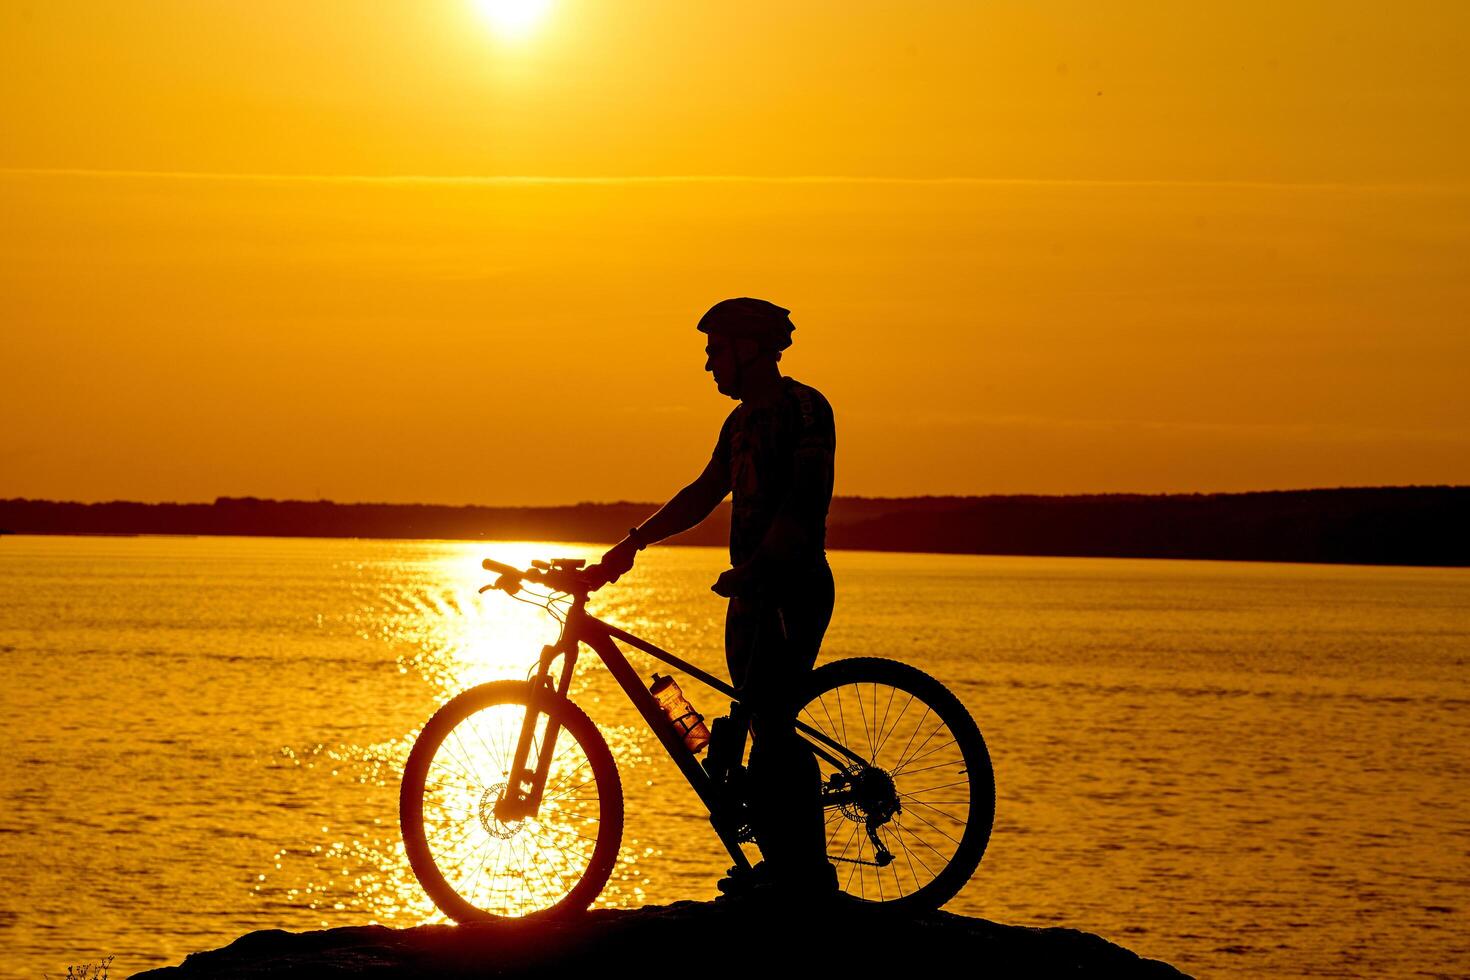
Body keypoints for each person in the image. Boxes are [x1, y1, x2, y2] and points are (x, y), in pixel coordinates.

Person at [588, 297, 839, 897]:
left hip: (793, 587)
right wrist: (632, 544)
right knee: (755, 725)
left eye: (715, 350)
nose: (708, 365)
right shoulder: (739, 424)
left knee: (775, 726)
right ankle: (781, 867)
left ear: (750, 348)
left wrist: (760, 565)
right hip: (748, 596)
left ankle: (805, 875)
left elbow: (805, 502)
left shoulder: (805, 408)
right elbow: (704, 492)